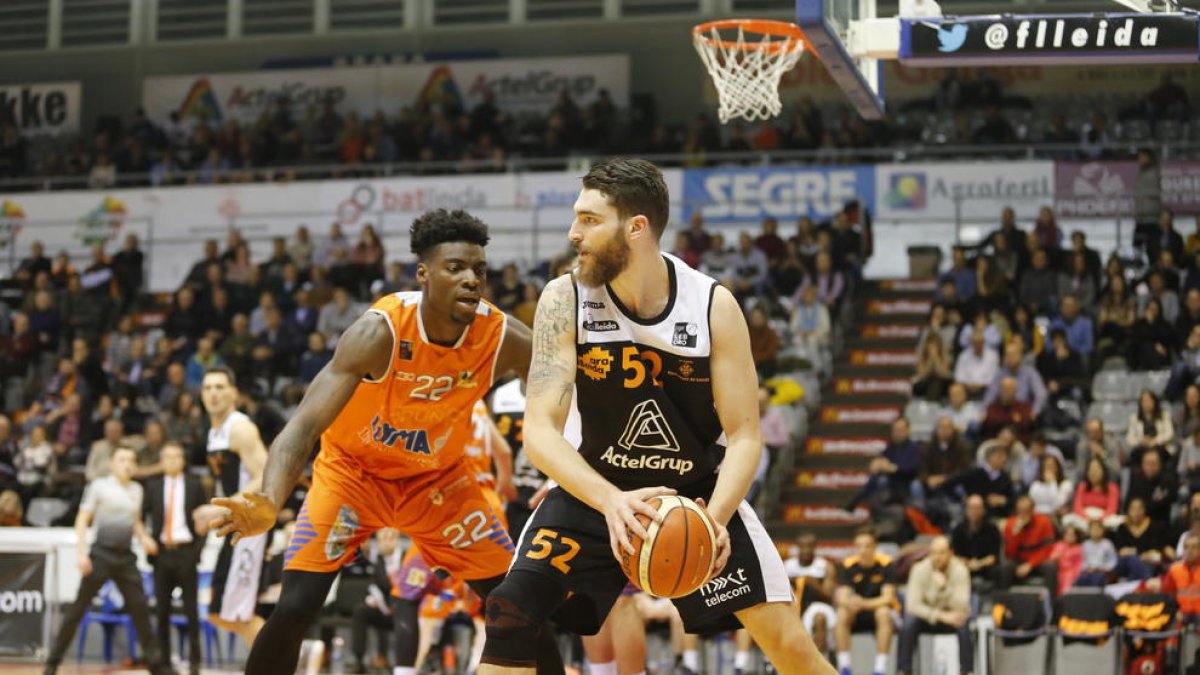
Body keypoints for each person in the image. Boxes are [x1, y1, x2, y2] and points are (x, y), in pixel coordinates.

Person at [474, 159, 830, 675]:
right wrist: (612, 502)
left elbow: (746, 435)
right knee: (508, 613)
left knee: (790, 647)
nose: (574, 233)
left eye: (590, 220)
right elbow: (539, 432)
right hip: (595, 490)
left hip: (695, 495)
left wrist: (715, 518)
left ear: (636, 228)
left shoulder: (712, 306)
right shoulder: (563, 298)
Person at [207, 209, 548, 675]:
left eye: (479, 270)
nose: (471, 279)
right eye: (455, 268)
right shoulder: (379, 332)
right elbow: (303, 425)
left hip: (438, 484)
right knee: (295, 607)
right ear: (423, 274)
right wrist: (270, 497)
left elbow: (556, 393)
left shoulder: (504, 337)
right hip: (353, 477)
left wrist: (564, 467)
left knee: (518, 608)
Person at [43, 447, 176, 675]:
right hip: (100, 555)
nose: (127, 463)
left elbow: (135, 522)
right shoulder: (99, 487)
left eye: (131, 460)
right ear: (113, 464)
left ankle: (156, 666)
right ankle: (52, 663)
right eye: (122, 459)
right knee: (77, 611)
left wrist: (144, 538)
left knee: (141, 610)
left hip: (125, 557)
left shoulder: (136, 490)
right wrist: (81, 553)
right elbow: (82, 519)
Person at [198, 367, 270, 646]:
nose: (213, 393)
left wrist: (220, 508)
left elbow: (265, 475)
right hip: (235, 524)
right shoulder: (214, 432)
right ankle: (294, 657)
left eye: (219, 387)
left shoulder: (240, 428)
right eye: (207, 388)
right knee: (221, 614)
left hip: (250, 528)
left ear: (234, 393)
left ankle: (285, 661)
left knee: (235, 613)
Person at [144, 443, 207, 675]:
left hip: (186, 552)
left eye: (176, 456)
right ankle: (164, 664)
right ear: (161, 460)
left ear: (182, 460)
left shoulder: (194, 484)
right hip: (161, 554)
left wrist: (196, 553)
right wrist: (146, 540)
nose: (171, 460)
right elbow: (140, 517)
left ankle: (195, 662)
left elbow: (204, 520)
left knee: (191, 611)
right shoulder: (152, 486)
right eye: (167, 457)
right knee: (162, 612)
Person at [896, 536, 972, 675]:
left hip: (952, 617)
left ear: (951, 553)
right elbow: (912, 606)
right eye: (934, 552)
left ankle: (966, 671)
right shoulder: (919, 569)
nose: (937, 557)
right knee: (908, 623)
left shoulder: (960, 570)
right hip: (927, 617)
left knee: (963, 623)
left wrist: (944, 589)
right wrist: (940, 616)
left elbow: (962, 605)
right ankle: (904, 670)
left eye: (942, 552)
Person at [834, 530, 898, 675]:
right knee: (842, 613)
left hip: (876, 610)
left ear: (875, 547)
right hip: (855, 612)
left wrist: (864, 603)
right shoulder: (848, 565)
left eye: (867, 546)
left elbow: (887, 598)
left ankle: (879, 669)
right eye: (859, 546)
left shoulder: (887, 564)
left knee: (884, 613)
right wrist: (852, 604)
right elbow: (842, 597)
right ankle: (845, 667)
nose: (863, 550)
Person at [352, 528, 402, 674]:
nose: (386, 542)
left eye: (390, 537)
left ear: (397, 539)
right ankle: (359, 661)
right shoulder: (378, 560)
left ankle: (402, 663)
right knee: (361, 610)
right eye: (382, 538)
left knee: (407, 612)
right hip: (384, 609)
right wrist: (374, 599)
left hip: (403, 609)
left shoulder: (406, 558)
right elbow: (376, 585)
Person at [786, 533, 838, 658]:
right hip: (795, 606)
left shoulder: (825, 566)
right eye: (803, 546)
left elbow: (829, 597)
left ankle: (819, 661)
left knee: (819, 618)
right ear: (797, 547)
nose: (806, 550)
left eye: (810, 546)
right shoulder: (787, 566)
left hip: (820, 605)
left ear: (815, 548)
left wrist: (814, 584)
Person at [1001, 495, 1058, 595]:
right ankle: (1004, 604)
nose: (1022, 514)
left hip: (1038, 561)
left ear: (1032, 510)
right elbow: (1009, 554)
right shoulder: (1010, 524)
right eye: (1020, 511)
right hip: (1019, 560)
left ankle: (1051, 606)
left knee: (1050, 567)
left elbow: (1048, 549)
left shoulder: (1044, 521)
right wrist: (1014, 535)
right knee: (1006, 567)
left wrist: (1030, 565)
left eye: (1026, 511)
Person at [950, 494, 1001, 593]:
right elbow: (955, 556)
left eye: (978, 508)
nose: (974, 511)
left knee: (999, 571)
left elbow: (994, 557)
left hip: (986, 567)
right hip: (965, 567)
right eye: (971, 508)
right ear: (966, 510)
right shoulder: (958, 530)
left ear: (983, 510)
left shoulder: (992, 529)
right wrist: (969, 563)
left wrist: (979, 564)